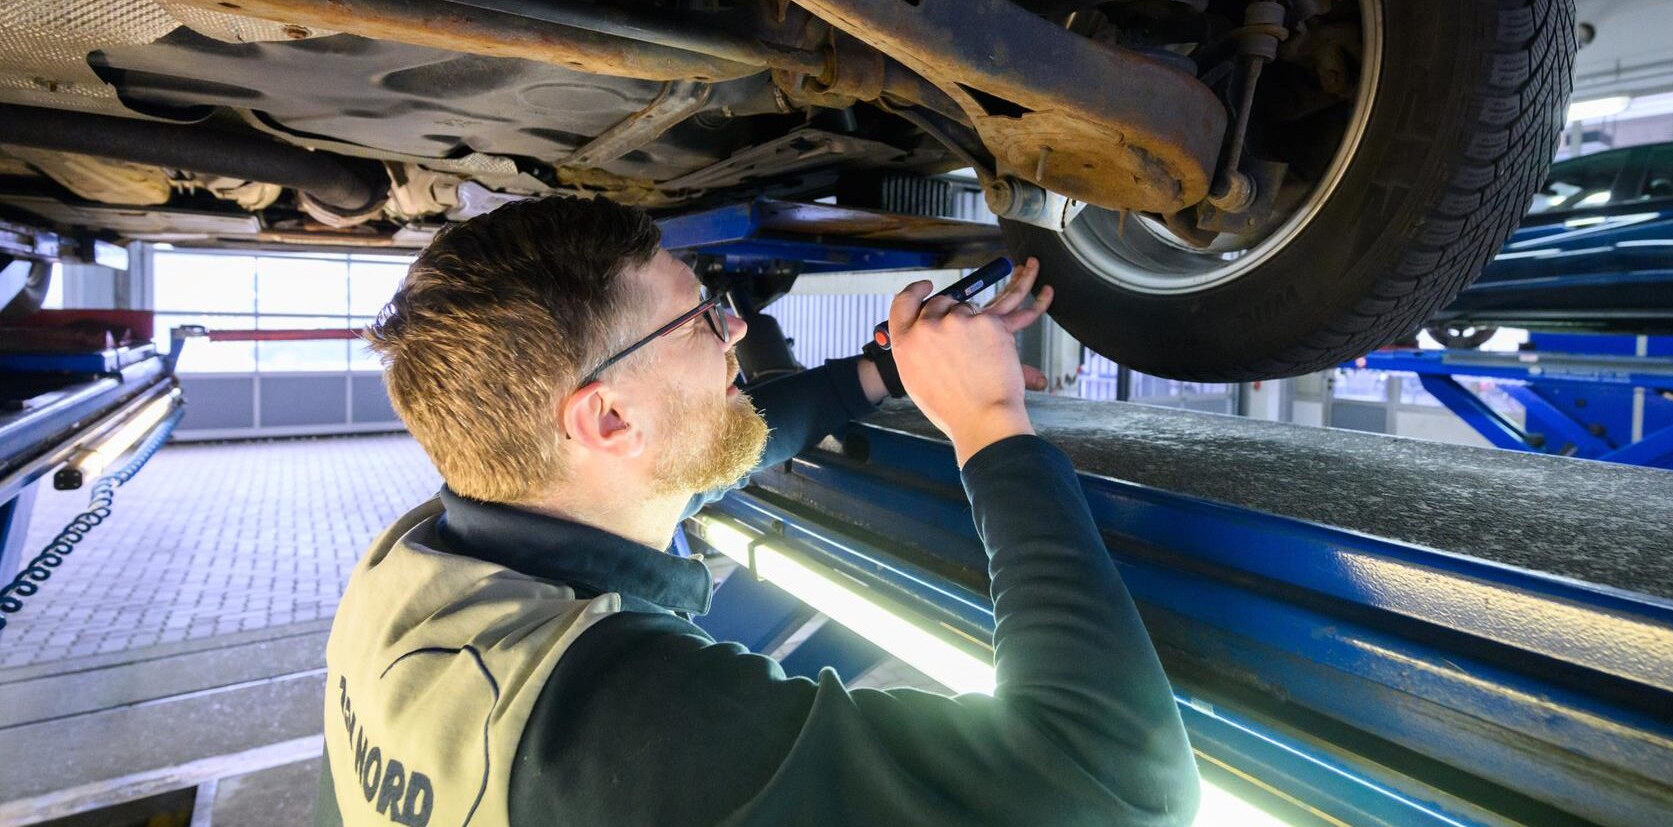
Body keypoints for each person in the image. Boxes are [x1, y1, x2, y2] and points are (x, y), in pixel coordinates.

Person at [316, 196, 1200, 827]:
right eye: (701, 320)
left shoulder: (415, 571)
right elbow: (1117, 786)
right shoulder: (627, 727)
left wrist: (887, 373)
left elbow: (702, 461)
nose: (735, 329)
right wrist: (989, 423)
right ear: (608, 417)